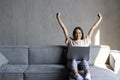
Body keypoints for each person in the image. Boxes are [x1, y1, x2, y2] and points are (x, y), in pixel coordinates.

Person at [56, 12, 102, 80]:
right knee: (73, 60)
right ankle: (76, 75)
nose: (78, 34)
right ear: (74, 34)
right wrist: (58, 17)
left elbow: (93, 28)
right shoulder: (70, 41)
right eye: (76, 33)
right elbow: (63, 28)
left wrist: (100, 19)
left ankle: (88, 75)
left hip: (81, 63)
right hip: (72, 63)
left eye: (80, 33)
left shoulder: (86, 41)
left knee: (84, 61)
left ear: (82, 34)